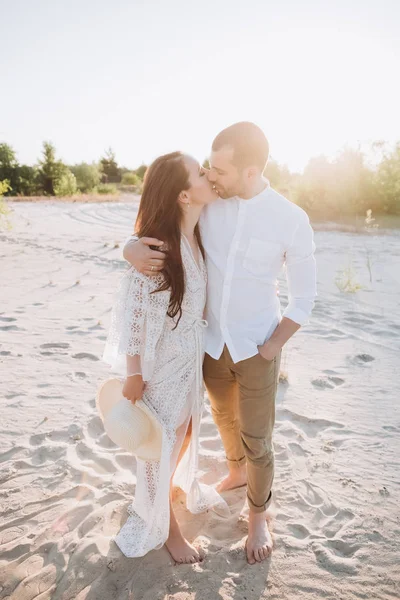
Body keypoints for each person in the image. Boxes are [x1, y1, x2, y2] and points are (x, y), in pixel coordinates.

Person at [123, 122, 317, 565]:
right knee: (220, 419)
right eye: (207, 170)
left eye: (220, 170)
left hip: (256, 345)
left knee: (257, 437)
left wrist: (271, 347)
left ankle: (258, 517)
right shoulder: (212, 207)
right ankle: (233, 472)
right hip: (206, 348)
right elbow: (162, 218)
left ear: (250, 172)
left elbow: (305, 297)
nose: (212, 177)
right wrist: (129, 247)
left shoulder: (290, 218)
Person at [103, 151, 226, 564]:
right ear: (183, 195)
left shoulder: (200, 230)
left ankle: (168, 494)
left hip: (190, 359)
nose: (207, 173)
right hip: (164, 365)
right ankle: (168, 530)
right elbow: (134, 313)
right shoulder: (157, 248)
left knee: (186, 431)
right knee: (162, 444)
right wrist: (133, 372)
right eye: (199, 171)